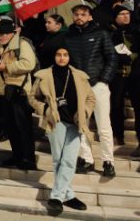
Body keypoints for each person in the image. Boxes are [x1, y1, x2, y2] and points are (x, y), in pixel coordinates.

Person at [29, 46, 96, 213]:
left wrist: (85, 112)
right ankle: (68, 195)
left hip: (75, 123)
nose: (62, 58)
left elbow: (90, 98)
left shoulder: (80, 76)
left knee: (69, 160)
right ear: (54, 56)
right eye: (58, 54)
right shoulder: (44, 75)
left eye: (65, 55)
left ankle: (57, 197)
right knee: (59, 160)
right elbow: (32, 97)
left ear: (69, 57)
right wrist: (44, 110)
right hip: (56, 122)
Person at [65, 4, 117, 177]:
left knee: (103, 125)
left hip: (98, 85)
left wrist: (104, 80)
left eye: (83, 14)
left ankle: (108, 161)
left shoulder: (101, 34)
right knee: (81, 125)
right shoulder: (68, 37)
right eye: (76, 14)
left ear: (90, 16)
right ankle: (87, 159)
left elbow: (111, 58)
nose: (79, 17)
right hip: (79, 87)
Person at [0, 20, 38, 170]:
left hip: (20, 90)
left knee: (23, 126)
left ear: (12, 33)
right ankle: (16, 155)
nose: (1, 37)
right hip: (5, 89)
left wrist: (6, 67)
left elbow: (29, 64)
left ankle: (28, 158)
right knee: (11, 126)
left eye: (4, 34)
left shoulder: (22, 45)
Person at [109, 6, 140, 148]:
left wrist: (133, 56)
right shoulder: (111, 33)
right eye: (122, 14)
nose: (125, 16)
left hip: (136, 74)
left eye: (127, 13)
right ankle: (117, 135)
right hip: (118, 74)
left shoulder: (137, 31)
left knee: (139, 107)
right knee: (116, 105)